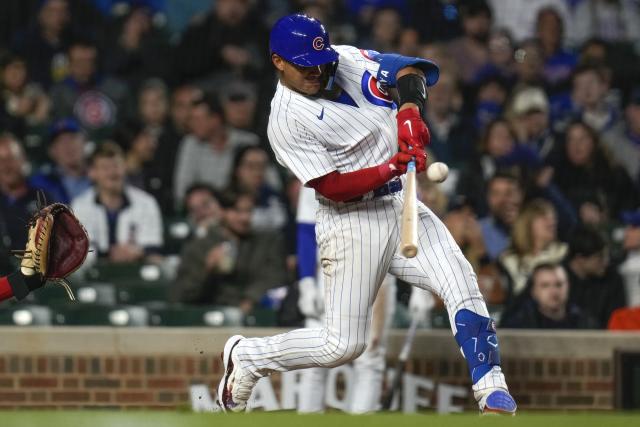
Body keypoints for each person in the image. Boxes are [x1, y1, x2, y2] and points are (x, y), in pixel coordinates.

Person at [216, 14, 517, 415]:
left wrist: (410, 112)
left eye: (320, 61)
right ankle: (250, 356)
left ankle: (490, 385)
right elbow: (332, 187)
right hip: (350, 222)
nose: (317, 71)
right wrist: (392, 164)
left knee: (460, 280)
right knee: (343, 345)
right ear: (278, 62)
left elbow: (411, 70)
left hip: (400, 203)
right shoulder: (285, 120)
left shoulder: (343, 59)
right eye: (305, 64)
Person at [295, 184, 397, 414]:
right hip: (330, 267)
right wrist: (306, 282)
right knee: (315, 357)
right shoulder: (316, 161)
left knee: (369, 358)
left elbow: (410, 219)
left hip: (376, 269)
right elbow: (306, 227)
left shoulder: (391, 158)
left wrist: (420, 287)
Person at [170, 191, 288, 312]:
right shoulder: (199, 247)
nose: (244, 218)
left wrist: (250, 299)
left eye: (249, 211)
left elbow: (275, 277)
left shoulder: (267, 243)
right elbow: (180, 295)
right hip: (211, 315)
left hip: (256, 312)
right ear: (221, 211)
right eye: (237, 211)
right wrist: (207, 269)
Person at [71, 141, 163, 264]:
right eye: (105, 168)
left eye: (116, 166)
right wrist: (111, 254)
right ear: (93, 173)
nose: (112, 173)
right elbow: (78, 252)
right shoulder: (80, 206)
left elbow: (153, 247)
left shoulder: (146, 203)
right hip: (94, 277)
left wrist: (135, 253)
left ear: (124, 167)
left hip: (135, 272)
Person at [563, 225, 627, 329]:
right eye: (599, 257)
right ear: (580, 259)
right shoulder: (557, 280)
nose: (606, 262)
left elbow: (617, 317)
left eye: (606, 255)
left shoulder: (612, 278)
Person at [500, 263, 598, 329]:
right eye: (545, 286)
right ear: (534, 291)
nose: (554, 291)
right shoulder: (518, 325)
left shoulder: (585, 322)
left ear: (568, 287)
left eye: (559, 284)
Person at [0, 134, 51, 249]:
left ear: (23, 160)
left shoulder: (43, 199)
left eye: (11, 159)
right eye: (1, 160)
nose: (5, 166)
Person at [29, 118, 91, 204]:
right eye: (60, 141)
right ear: (51, 151)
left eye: (72, 138)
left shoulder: (103, 176)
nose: (68, 146)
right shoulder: (40, 185)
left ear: (85, 142)